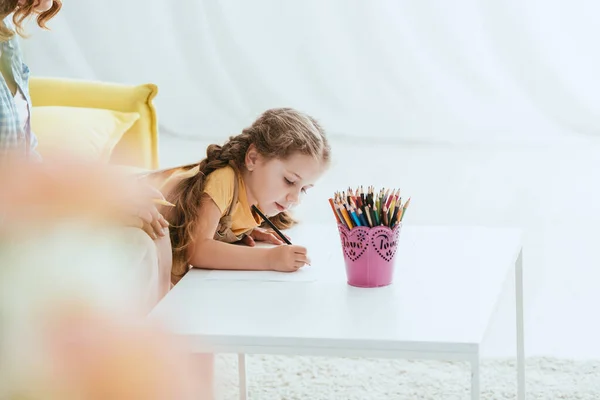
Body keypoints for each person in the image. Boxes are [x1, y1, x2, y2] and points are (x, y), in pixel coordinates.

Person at [0, 0, 172, 309]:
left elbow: (27, 157)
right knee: (133, 244)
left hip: (29, 214)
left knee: (149, 223)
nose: (47, 4)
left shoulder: (7, 42)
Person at [144, 107, 331, 285]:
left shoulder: (252, 196)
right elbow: (198, 250)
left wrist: (237, 232)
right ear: (253, 159)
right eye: (290, 181)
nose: (295, 199)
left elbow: (217, 223)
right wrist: (270, 258)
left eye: (304, 189)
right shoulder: (223, 179)